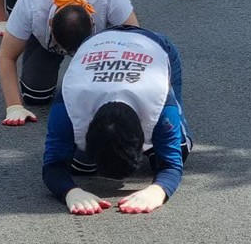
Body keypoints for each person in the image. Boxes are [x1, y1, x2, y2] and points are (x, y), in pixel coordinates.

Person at [44, 26, 192, 216]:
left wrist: (159, 190)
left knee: (178, 150)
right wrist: (70, 192)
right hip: (98, 43)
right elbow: (52, 164)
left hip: (155, 45)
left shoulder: (162, 105)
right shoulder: (66, 105)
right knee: (80, 167)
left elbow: (172, 165)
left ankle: (162, 145)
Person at [0, 0, 138, 123]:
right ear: (49, 23)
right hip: (44, 39)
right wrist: (14, 107)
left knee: (105, 97)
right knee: (35, 96)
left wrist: (129, 90)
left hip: (101, 44)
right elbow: (6, 56)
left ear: (93, 23)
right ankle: (39, 52)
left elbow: (136, 40)